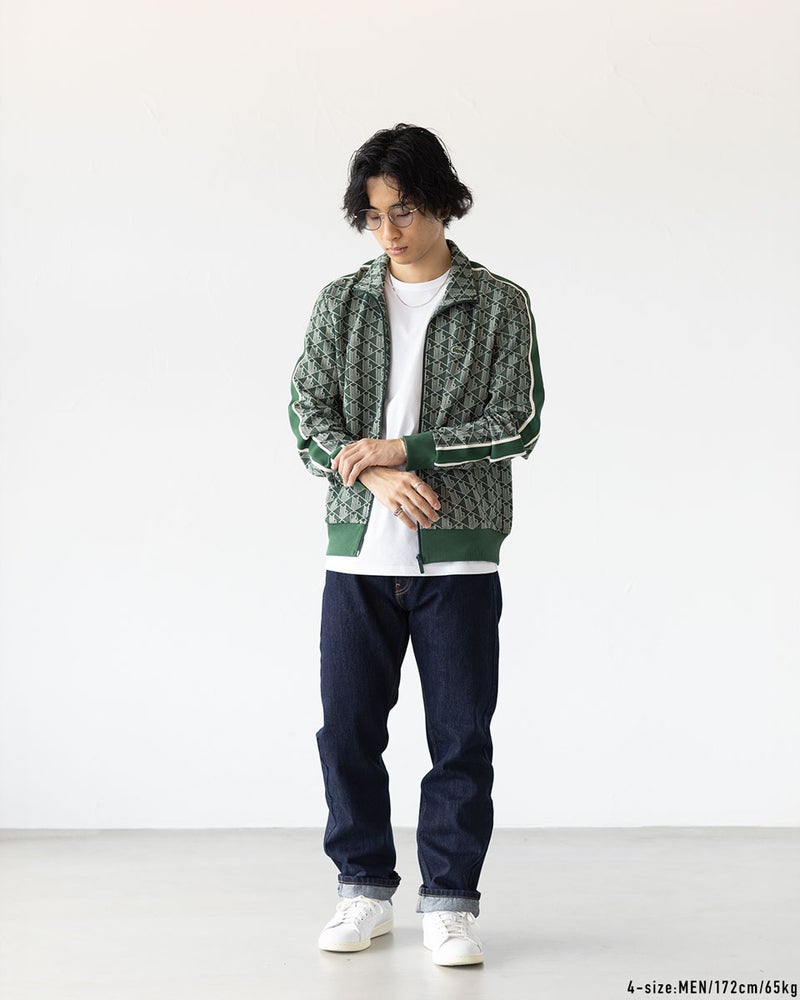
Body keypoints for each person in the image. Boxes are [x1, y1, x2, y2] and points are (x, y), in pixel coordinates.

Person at [288, 123, 544, 966]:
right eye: (373, 215)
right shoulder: (341, 302)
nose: (389, 230)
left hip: (458, 558)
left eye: (403, 210)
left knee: (460, 737)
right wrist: (372, 476)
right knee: (347, 732)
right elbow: (306, 416)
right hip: (358, 557)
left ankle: (450, 903)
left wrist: (406, 451)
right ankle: (362, 891)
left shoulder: (499, 302)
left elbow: (518, 422)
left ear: (441, 203)